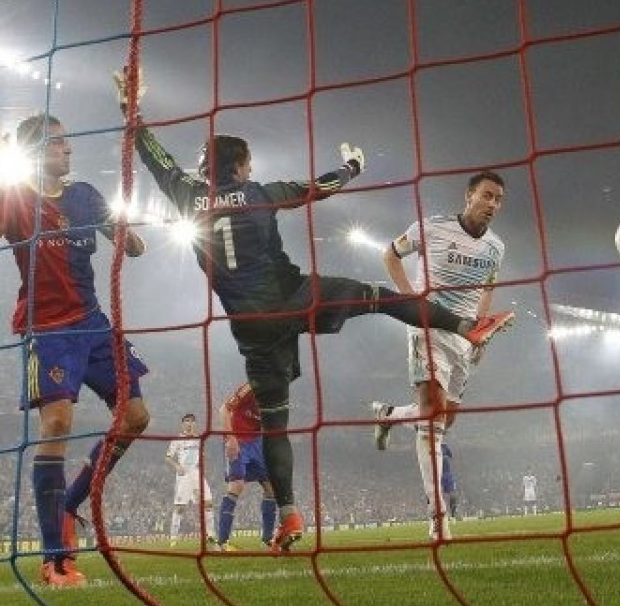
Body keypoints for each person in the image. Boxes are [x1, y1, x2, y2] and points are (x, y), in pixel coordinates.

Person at [114, 67, 512, 552]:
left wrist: (132, 113)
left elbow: (155, 158)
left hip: (252, 329)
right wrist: (352, 167)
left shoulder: (186, 195)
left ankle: (289, 516)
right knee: (381, 298)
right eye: (247, 164)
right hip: (296, 297)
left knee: (275, 425)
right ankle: (465, 326)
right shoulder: (258, 193)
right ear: (240, 167)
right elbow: (318, 186)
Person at [0, 108, 152, 587]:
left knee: (136, 418)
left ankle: (69, 504)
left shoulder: (85, 195)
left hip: (93, 324)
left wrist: (125, 231)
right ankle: (56, 558)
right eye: (57, 142)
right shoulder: (16, 198)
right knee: (57, 423)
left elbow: (135, 248)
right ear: (34, 151)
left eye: (67, 141)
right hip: (47, 329)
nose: (68, 148)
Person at [367, 171, 508, 540]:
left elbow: (487, 288)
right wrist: (410, 302)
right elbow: (390, 254)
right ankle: (438, 515)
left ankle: (390, 415)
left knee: (446, 419)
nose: (492, 204)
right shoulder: (431, 228)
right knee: (433, 415)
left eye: (498, 199)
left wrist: (479, 333)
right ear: (469, 196)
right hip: (427, 326)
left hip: (462, 336)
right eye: (487, 195)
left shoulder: (496, 247)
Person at [215, 383, 277, 550]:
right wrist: (230, 438)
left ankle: (267, 539)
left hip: (257, 442)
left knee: (271, 487)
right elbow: (224, 409)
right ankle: (222, 542)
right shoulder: (251, 387)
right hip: (238, 440)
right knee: (237, 485)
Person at [164, 413, 216, 546]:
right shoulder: (177, 440)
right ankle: (173, 538)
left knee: (208, 503)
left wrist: (203, 468)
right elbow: (168, 457)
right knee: (180, 507)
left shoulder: (199, 438)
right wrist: (177, 466)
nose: (189, 423)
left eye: (192, 421)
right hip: (184, 476)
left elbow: (201, 456)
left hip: (197, 474)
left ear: (195, 423)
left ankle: (210, 534)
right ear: (183, 424)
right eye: (187, 421)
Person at [440, 442, 458, 520]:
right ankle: (437, 515)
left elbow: (451, 456)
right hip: (438, 475)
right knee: (436, 494)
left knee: (453, 495)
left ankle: (453, 515)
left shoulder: (444, 446)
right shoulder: (430, 447)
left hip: (447, 474)